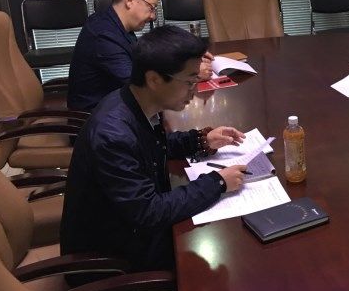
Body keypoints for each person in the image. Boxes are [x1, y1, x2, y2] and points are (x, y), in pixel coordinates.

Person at [61, 25, 247, 274]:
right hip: (109, 261)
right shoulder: (113, 135)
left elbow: (152, 146)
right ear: (154, 79)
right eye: (190, 81)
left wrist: (202, 140)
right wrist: (218, 183)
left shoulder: (132, 101)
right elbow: (150, 212)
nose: (194, 90)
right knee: (230, 254)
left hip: (130, 231)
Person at [67, 0, 213, 112]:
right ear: (130, 0)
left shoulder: (114, 23)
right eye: (151, 7)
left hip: (116, 104)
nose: (153, 16)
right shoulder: (103, 34)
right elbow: (138, 83)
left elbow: (143, 60)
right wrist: (190, 73)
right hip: (99, 117)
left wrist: (186, 59)